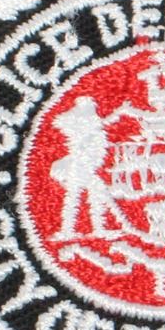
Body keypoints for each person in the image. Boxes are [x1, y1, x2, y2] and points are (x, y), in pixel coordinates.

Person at [50, 96, 113, 239]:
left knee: (82, 197)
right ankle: (72, 230)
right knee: (77, 197)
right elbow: (62, 121)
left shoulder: (93, 134)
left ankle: (91, 229)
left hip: (85, 168)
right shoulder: (86, 133)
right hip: (80, 168)